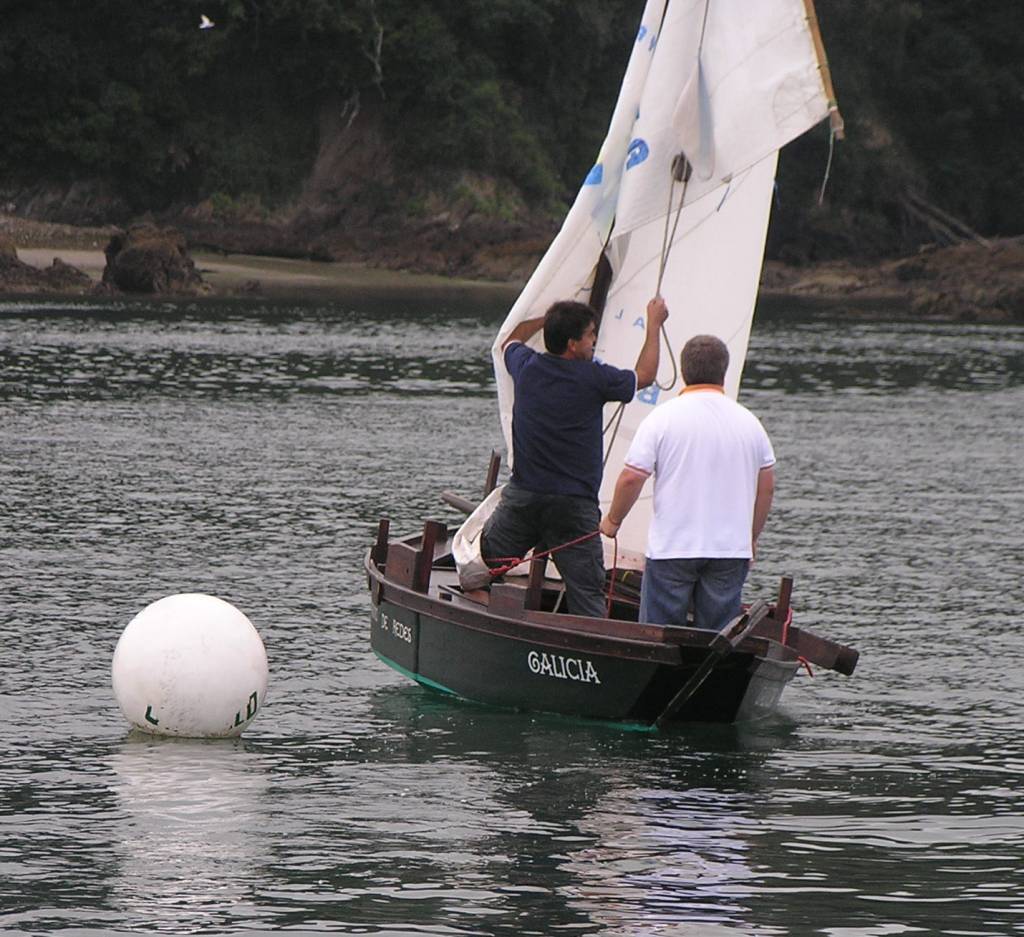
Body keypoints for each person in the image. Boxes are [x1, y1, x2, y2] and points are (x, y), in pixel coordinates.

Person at [481, 296, 669, 617]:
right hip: (574, 508)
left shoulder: (526, 367)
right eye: (590, 334)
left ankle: (488, 615)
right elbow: (646, 374)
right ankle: (593, 653)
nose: (595, 340)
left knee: (485, 563)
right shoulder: (594, 378)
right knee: (587, 595)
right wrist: (653, 325)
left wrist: (548, 321)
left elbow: (510, 338)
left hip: (525, 499)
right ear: (572, 344)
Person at [599, 334, 775, 631]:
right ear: (724, 370)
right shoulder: (750, 423)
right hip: (729, 550)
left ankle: (660, 676)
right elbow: (766, 487)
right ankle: (709, 675)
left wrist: (613, 521)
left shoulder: (662, 419)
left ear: (684, 370)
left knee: (659, 634)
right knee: (718, 637)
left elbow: (632, 477)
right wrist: (752, 537)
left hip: (674, 548)